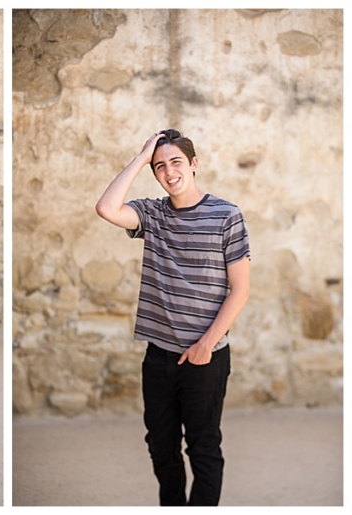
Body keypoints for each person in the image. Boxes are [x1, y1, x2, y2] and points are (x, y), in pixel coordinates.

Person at [95, 129, 251, 506]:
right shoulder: (152, 214)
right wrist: (140, 157)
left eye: (176, 162)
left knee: (203, 447)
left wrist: (205, 345)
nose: (169, 171)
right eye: (160, 166)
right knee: (160, 446)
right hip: (158, 355)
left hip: (205, 357)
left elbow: (240, 290)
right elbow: (106, 208)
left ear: (194, 164)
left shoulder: (227, 215)